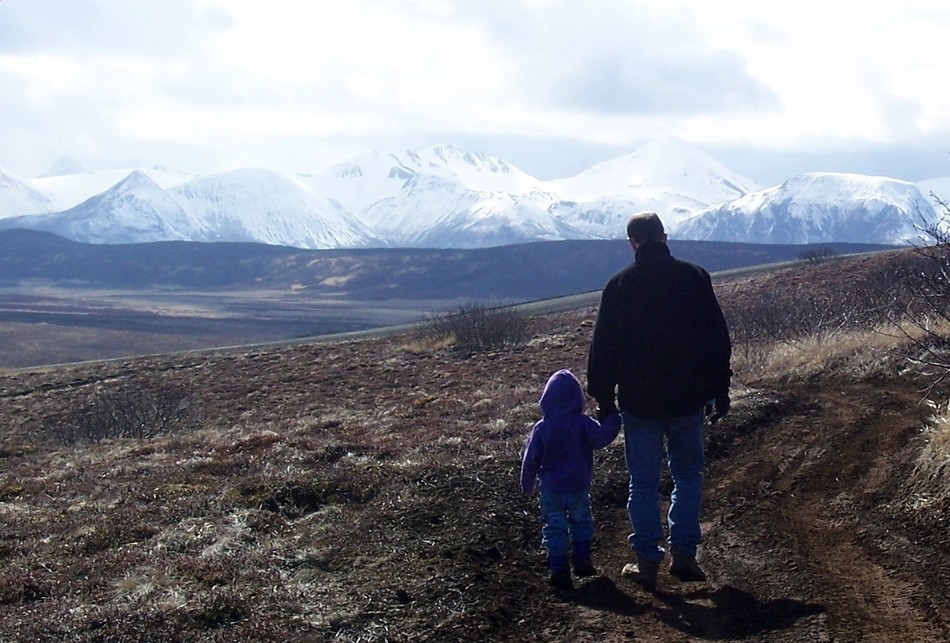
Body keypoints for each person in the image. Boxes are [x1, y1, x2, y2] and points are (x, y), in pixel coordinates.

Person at [587, 211, 732, 591]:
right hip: (688, 398)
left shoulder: (618, 286)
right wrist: (720, 388)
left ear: (633, 242)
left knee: (643, 482)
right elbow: (717, 338)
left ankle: (647, 561)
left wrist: (604, 398)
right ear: (664, 237)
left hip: (639, 402)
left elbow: (603, 348)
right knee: (687, 476)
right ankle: (684, 555)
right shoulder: (694, 277)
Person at [520, 368, 622, 591]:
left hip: (551, 490)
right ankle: (582, 561)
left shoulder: (541, 428)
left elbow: (530, 459)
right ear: (577, 398)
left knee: (554, 527)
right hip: (578, 486)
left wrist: (528, 484)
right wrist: (614, 418)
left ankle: (559, 569)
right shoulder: (582, 423)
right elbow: (602, 436)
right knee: (582, 521)